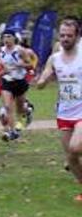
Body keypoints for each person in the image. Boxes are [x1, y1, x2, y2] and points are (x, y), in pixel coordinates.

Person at [34, 18, 82, 202]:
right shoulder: (54, 58)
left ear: (77, 37)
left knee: (75, 147)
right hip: (64, 113)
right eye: (62, 35)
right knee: (71, 158)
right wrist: (42, 81)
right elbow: (45, 74)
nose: (65, 39)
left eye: (69, 35)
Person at [0, 31, 34, 141]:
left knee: (20, 109)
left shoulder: (20, 50)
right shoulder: (1, 50)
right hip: (7, 81)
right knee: (8, 107)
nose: (6, 39)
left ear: (14, 38)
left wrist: (21, 64)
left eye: (9, 37)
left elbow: (30, 65)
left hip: (20, 82)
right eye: (4, 37)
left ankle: (28, 110)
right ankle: (12, 131)